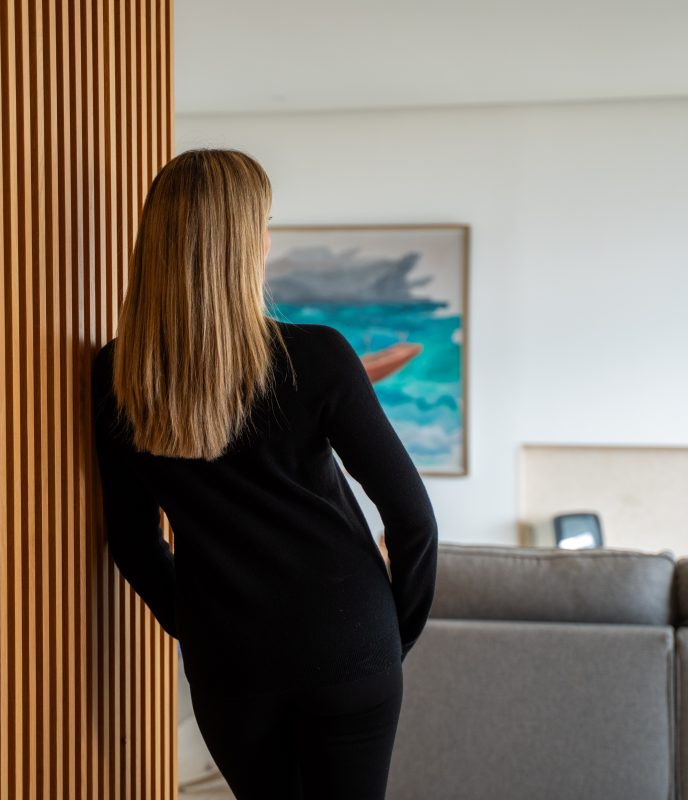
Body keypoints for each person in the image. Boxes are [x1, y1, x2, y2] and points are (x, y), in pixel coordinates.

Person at [91, 148, 438, 800]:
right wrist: (391, 634)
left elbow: (134, 544)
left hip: (230, 664)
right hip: (350, 648)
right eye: (265, 223)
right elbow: (414, 520)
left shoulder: (117, 376)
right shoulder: (320, 357)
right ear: (245, 242)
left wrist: (200, 626)